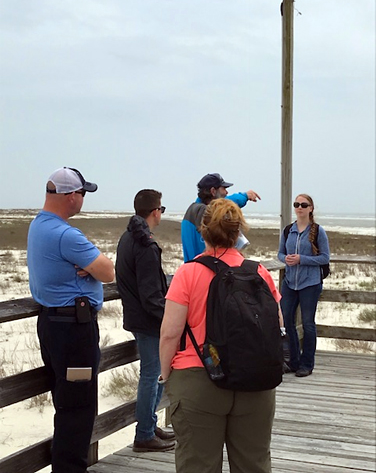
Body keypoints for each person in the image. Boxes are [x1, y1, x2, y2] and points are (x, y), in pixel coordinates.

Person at [159, 198, 281, 473]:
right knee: (254, 464)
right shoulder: (259, 272)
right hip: (255, 381)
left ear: (203, 231)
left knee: (198, 466)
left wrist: (166, 377)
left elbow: (169, 334)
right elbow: (278, 324)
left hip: (198, 379)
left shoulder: (188, 273)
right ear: (238, 233)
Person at [27, 167, 115, 473]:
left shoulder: (39, 225)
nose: (83, 200)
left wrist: (86, 265)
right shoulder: (65, 234)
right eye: (83, 193)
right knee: (78, 406)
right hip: (74, 330)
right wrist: (91, 266)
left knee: (66, 400)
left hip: (52, 325)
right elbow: (108, 271)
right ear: (71, 196)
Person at [115, 189, 175, 453]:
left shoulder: (127, 238)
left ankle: (149, 425)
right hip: (149, 321)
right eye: (161, 209)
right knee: (152, 376)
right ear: (155, 211)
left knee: (153, 375)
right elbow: (152, 296)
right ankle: (144, 434)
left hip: (137, 317)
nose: (161, 213)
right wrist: (170, 319)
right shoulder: (145, 245)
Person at [277, 194, 330, 377]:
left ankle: (307, 364)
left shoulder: (318, 231)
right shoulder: (288, 230)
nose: (299, 207)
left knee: (308, 324)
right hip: (290, 282)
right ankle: (293, 361)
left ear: (310, 208)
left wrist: (302, 259)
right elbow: (280, 254)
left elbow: (324, 258)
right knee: (286, 322)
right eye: (296, 204)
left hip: (310, 283)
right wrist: (287, 259)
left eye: (303, 204)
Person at [181, 172, 260, 262]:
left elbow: (223, 204)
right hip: (204, 269)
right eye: (223, 188)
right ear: (213, 191)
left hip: (194, 268)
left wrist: (244, 196)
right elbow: (223, 205)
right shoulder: (202, 211)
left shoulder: (193, 209)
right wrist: (244, 196)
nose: (226, 192)